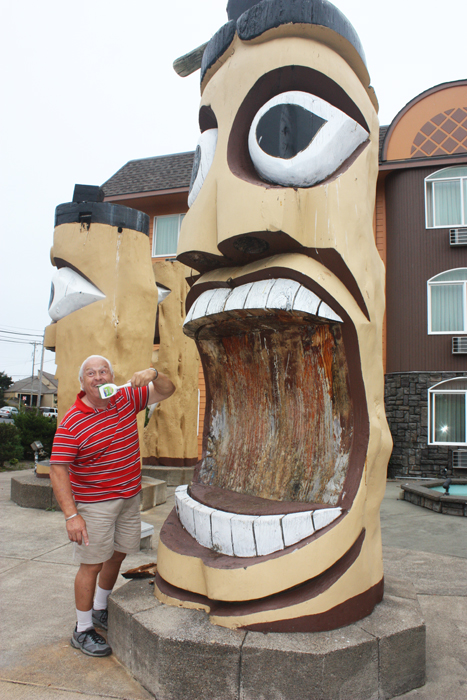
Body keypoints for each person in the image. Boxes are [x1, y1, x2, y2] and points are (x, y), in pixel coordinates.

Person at [49, 355, 175, 657]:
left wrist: (154, 373)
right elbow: (58, 469)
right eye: (90, 373)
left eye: (103, 371)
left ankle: (100, 609)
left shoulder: (124, 397)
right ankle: (82, 630)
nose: (98, 377)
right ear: (82, 383)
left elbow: (168, 390)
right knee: (91, 563)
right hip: (94, 505)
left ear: (111, 376)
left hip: (129, 497)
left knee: (117, 553)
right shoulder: (73, 421)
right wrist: (72, 516)